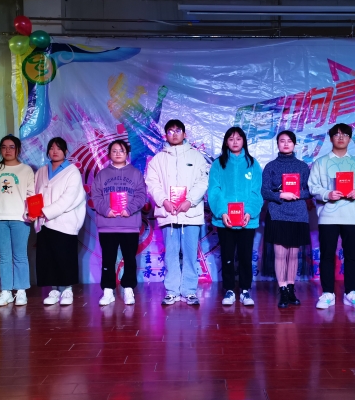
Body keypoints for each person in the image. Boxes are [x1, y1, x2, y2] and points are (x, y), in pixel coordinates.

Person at [145, 119, 210, 306]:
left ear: (184, 134)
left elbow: (203, 181)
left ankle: (189, 291)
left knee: (190, 254)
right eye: (170, 131)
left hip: (191, 213)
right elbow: (152, 183)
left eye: (178, 130)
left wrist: (190, 201)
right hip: (169, 213)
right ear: (165, 135)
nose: (174, 134)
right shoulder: (158, 159)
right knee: (171, 254)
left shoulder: (196, 157)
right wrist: (163, 201)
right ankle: (172, 291)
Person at [308, 123, 355, 310]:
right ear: (331, 138)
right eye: (337, 134)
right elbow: (312, 187)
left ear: (350, 139)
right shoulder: (321, 162)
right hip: (328, 216)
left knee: (351, 256)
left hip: (351, 216)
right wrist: (328, 194)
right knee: (327, 255)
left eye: (345, 135)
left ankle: (351, 292)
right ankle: (328, 293)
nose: (341, 137)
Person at [207, 127, 263, 306]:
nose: (235, 142)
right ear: (226, 142)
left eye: (238, 138)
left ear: (244, 141)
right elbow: (214, 190)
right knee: (227, 256)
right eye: (231, 139)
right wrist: (223, 212)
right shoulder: (218, 164)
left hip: (248, 221)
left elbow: (256, 191)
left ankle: (245, 290)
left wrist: (249, 212)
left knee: (246, 256)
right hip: (225, 221)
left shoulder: (253, 164)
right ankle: (229, 290)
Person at [91, 139, 146, 306]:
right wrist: (105, 210)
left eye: (121, 150)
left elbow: (141, 195)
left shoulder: (136, 173)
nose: (117, 154)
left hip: (129, 225)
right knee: (108, 259)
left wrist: (129, 209)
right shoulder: (102, 174)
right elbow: (95, 196)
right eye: (114, 151)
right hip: (107, 225)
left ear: (126, 153)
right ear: (109, 154)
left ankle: (128, 288)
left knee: (130, 259)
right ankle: (108, 291)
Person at [0, 135, 35, 307]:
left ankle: (21, 291)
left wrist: (31, 213)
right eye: (4, 147)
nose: (8, 150)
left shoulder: (26, 170)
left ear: (18, 150)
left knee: (20, 256)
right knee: (4, 256)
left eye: (12, 147)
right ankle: (6, 291)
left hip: (20, 219)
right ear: (0, 150)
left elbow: (31, 194)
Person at [261, 130, 312, 309]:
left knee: (294, 254)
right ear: (277, 144)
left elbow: (310, 191)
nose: (285, 144)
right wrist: (281, 194)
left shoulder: (303, 166)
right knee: (280, 254)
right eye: (282, 141)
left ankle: (291, 288)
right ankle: (282, 289)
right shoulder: (270, 166)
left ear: (294, 144)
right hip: (277, 213)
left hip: (298, 213)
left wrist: (296, 194)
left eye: (289, 141)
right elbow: (264, 191)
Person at [34, 137, 87, 306]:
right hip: (44, 222)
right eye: (51, 148)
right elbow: (35, 194)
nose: (55, 151)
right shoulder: (42, 171)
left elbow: (68, 198)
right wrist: (33, 212)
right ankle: (54, 290)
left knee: (65, 257)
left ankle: (67, 290)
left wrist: (45, 211)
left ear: (65, 151)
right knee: (48, 258)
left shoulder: (72, 171)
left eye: (58, 148)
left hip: (64, 222)